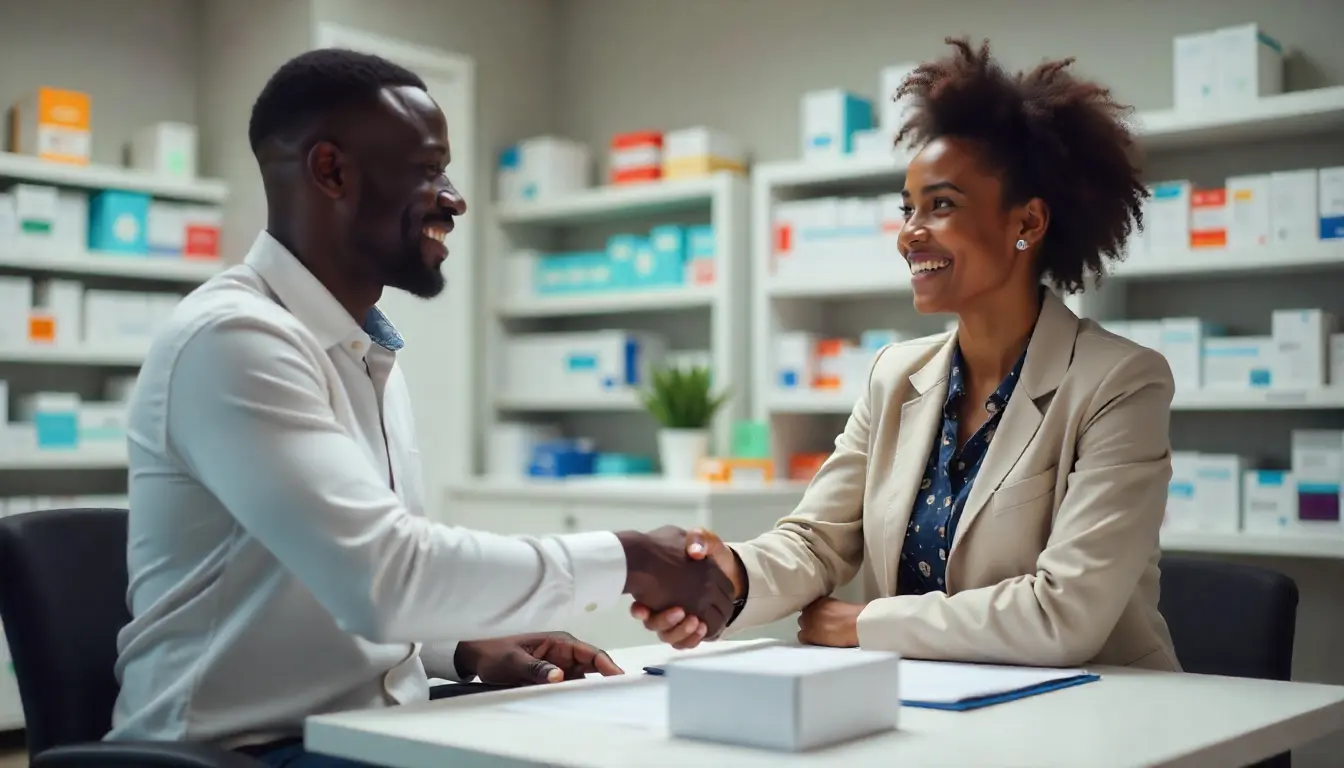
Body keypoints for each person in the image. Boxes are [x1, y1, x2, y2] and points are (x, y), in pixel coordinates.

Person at [107, 48, 732, 767]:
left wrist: (464, 646)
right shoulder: (234, 340)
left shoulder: (363, 351)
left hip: (369, 728)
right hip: (240, 752)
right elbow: (385, 578)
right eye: (428, 171)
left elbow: (342, 585)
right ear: (331, 171)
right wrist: (629, 558)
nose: (455, 199)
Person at [635, 37, 1181, 672]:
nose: (909, 234)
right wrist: (729, 574)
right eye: (908, 209)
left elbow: (1064, 615)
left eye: (941, 205)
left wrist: (862, 623)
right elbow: (817, 541)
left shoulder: (1119, 382)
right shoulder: (895, 375)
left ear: (1026, 223)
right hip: (931, 704)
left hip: (1101, 711)